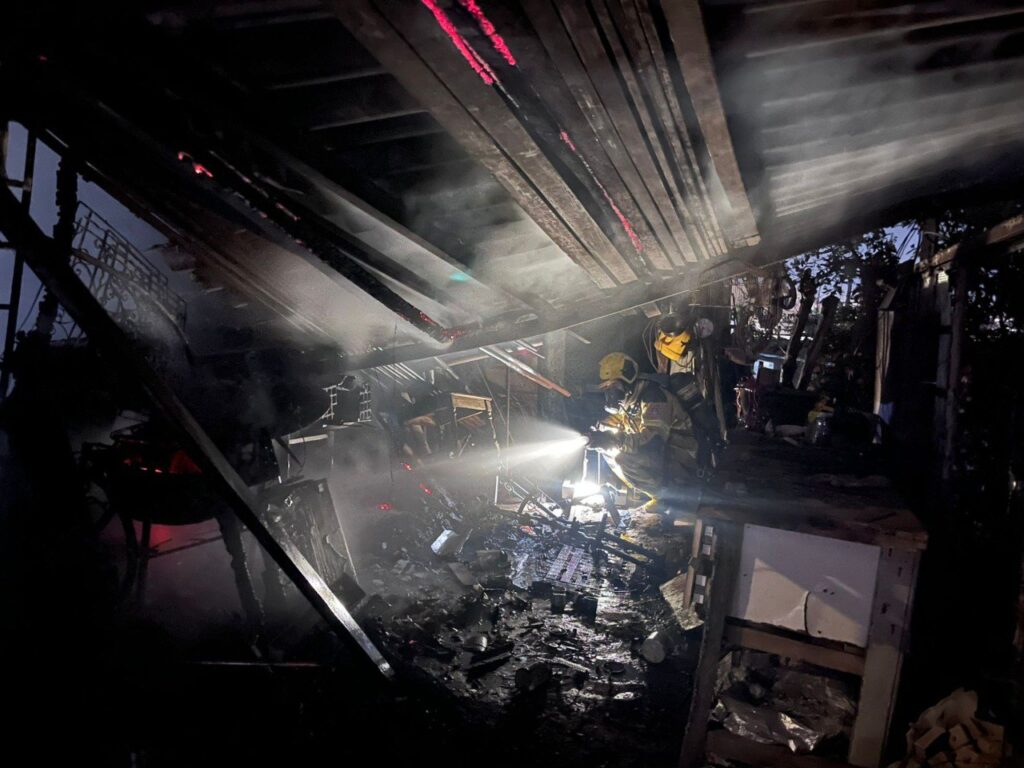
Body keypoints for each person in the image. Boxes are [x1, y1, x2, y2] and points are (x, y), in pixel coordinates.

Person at [589, 351, 721, 509]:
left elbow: (652, 442)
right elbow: (618, 421)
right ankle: (647, 491)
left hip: (682, 456)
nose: (610, 394)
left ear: (628, 381)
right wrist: (597, 432)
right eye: (606, 388)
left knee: (623, 458)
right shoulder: (631, 401)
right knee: (606, 448)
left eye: (614, 386)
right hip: (665, 454)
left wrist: (614, 440)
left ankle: (666, 497)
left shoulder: (654, 398)